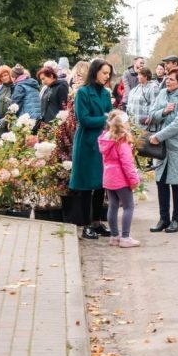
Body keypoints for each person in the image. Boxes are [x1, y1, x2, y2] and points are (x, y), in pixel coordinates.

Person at [69, 58, 114, 240]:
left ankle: (97, 222)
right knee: (87, 186)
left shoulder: (105, 93)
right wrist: (105, 119)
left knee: (101, 185)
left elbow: (110, 116)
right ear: (94, 72)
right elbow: (84, 119)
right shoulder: (82, 93)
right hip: (87, 142)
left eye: (109, 74)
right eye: (104, 73)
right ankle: (86, 225)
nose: (107, 76)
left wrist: (111, 119)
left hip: (102, 141)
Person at [147, 68, 178, 234]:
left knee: (176, 183)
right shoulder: (162, 94)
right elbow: (151, 113)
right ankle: (163, 218)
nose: (167, 81)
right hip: (160, 148)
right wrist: (163, 111)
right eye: (167, 78)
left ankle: (176, 220)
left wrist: (158, 136)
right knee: (160, 183)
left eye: (172, 79)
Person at [99, 110, 141, 248]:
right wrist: (134, 180)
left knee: (113, 205)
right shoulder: (122, 141)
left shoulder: (106, 138)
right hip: (121, 178)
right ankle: (125, 237)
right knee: (129, 206)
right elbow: (127, 163)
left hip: (108, 177)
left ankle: (114, 236)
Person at [124, 67, 159, 133]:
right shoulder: (138, 87)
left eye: (139, 75)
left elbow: (155, 104)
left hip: (145, 125)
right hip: (133, 125)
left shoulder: (153, 87)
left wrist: (150, 118)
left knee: (143, 142)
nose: (137, 77)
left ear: (145, 76)